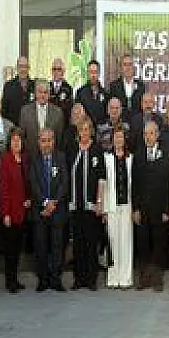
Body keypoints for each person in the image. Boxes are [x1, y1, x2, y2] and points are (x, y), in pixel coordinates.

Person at [131, 121, 169, 292]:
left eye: (151, 133)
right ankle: (144, 278)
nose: (148, 137)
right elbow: (134, 184)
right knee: (143, 244)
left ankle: (157, 279)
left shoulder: (166, 155)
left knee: (159, 243)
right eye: (145, 134)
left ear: (157, 135)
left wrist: (167, 209)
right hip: (143, 209)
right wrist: (135, 209)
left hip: (159, 209)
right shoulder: (138, 155)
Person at [29, 128, 69, 292]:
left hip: (57, 210)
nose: (46, 144)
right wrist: (45, 202)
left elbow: (64, 182)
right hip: (40, 211)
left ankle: (56, 279)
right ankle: (43, 280)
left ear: (54, 141)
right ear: (39, 142)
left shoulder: (60, 157)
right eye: (43, 140)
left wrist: (54, 202)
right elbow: (33, 183)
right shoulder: (34, 159)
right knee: (41, 247)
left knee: (57, 247)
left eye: (49, 140)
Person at [69, 118, 106, 291]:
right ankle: (79, 278)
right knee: (78, 243)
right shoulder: (72, 149)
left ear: (91, 130)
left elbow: (101, 178)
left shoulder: (97, 150)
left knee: (91, 243)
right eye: (81, 129)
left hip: (91, 206)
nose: (84, 132)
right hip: (75, 206)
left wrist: (99, 202)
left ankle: (91, 279)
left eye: (87, 129)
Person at [0, 127, 30, 293]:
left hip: (23, 211)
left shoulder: (25, 159)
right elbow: (3, 189)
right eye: (13, 140)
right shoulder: (5, 160)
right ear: (9, 143)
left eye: (19, 140)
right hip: (10, 212)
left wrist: (29, 199)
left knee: (18, 248)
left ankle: (15, 279)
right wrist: (5, 213)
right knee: (10, 249)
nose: (16, 143)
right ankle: (9, 281)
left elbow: (28, 184)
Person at [103, 125, 134, 289]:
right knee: (113, 241)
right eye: (116, 137)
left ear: (125, 139)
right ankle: (113, 277)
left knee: (126, 241)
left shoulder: (131, 158)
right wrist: (104, 209)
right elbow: (105, 184)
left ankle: (126, 277)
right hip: (112, 206)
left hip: (127, 205)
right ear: (112, 139)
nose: (118, 140)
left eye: (121, 137)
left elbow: (133, 184)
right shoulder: (106, 158)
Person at [20, 80, 65, 158]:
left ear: (49, 94)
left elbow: (59, 138)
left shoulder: (58, 112)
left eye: (45, 92)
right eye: (40, 92)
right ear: (35, 93)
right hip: (30, 157)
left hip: (51, 158)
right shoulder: (25, 111)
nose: (43, 95)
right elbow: (23, 136)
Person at [108, 54, 146, 120]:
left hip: (137, 123)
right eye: (125, 65)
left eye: (130, 64)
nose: (127, 68)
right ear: (121, 68)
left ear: (134, 67)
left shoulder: (141, 86)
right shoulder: (114, 86)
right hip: (120, 123)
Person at [2, 56, 36, 125]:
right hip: (13, 128)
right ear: (17, 68)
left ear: (29, 68)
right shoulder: (8, 86)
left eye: (25, 66)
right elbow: (4, 110)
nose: (23, 69)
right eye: (21, 66)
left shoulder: (35, 85)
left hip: (31, 128)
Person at [75, 59, 109, 125]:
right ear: (87, 73)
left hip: (101, 130)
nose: (93, 75)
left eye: (95, 72)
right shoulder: (80, 92)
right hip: (85, 129)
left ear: (99, 73)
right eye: (91, 72)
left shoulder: (105, 93)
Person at [49, 58, 74, 124]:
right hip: (49, 123)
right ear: (51, 71)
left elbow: (69, 109)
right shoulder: (47, 87)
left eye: (59, 69)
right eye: (54, 69)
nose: (56, 72)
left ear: (63, 71)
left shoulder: (68, 88)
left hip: (63, 123)